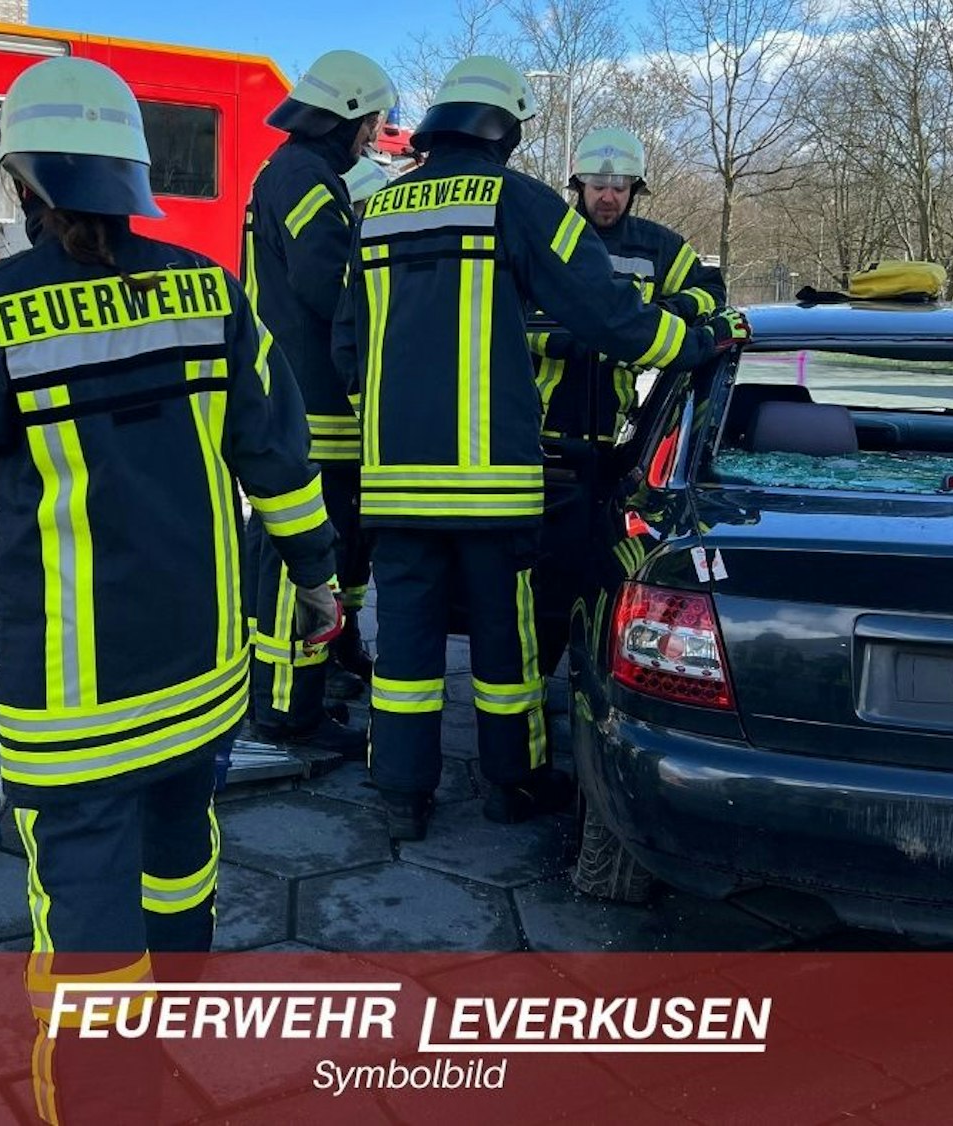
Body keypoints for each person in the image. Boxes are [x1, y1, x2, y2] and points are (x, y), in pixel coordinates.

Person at [0, 57, 339, 1121]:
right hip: (200, 672)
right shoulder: (211, 291)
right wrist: (317, 582)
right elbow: (275, 458)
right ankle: (173, 1051)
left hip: (74, 694)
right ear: (132, 177)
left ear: (24, 184)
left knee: (88, 918)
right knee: (182, 861)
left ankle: (104, 1100)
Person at [333, 56, 751, 841]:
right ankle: (510, 784)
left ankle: (398, 794)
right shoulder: (518, 201)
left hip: (392, 479)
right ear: (504, 130)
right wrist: (695, 342)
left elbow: (347, 342)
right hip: (492, 478)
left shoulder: (379, 208)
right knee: (503, 636)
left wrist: (382, 428)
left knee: (407, 643)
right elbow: (612, 320)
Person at [529, 126, 728, 674]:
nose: (608, 196)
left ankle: (593, 666)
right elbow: (514, 318)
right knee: (544, 575)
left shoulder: (658, 246)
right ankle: (535, 679)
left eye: (619, 185)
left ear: (635, 188)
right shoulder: (549, 235)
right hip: (547, 439)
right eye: (597, 184)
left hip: (620, 445)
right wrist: (574, 336)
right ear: (579, 185)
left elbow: (710, 293)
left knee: (605, 567)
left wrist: (655, 321)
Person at [241, 50, 395, 754]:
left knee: (336, 547)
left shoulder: (295, 170)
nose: (372, 136)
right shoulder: (306, 176)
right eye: (369, 122)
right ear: (348, 114)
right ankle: (283, 707)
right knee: (296, 554)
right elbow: (326, 282)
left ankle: (332, 658)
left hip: (306, 398)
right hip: (309, 403)